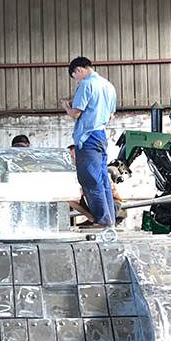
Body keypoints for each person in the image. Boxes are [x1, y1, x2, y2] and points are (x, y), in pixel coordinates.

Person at [61, 57, 117, 227]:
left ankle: (102, 220)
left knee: (90, 179)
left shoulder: (86, 85)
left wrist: (66, 107)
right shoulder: (108, 86)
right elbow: (111, 115)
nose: (76, 80)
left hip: (88, 137)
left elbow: (76, 113)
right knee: (103, 179)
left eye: (75, 76)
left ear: (79, 70)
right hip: (101, 135)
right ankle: (109, 219)